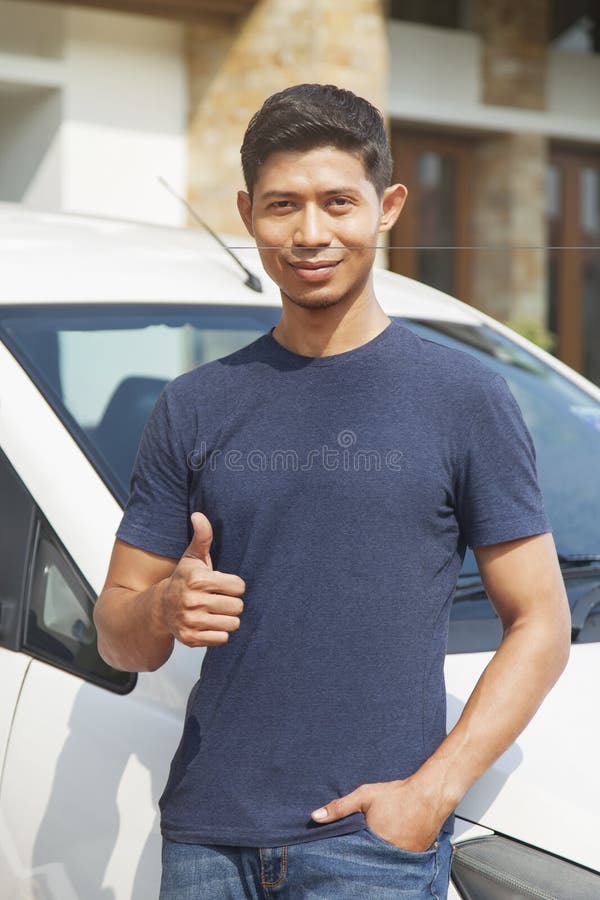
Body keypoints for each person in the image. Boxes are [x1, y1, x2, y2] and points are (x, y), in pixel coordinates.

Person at [93, 84, 571, 899]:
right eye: (283, 206)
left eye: (337, 203)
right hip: (208, 839)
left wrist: (431, 795)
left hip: (371, 848)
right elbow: (117, 632)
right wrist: (163, 608)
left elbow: (542, 619)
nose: (310, 233)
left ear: (386, 207)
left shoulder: (464, 398)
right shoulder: (195, 404)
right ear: (248, 213)